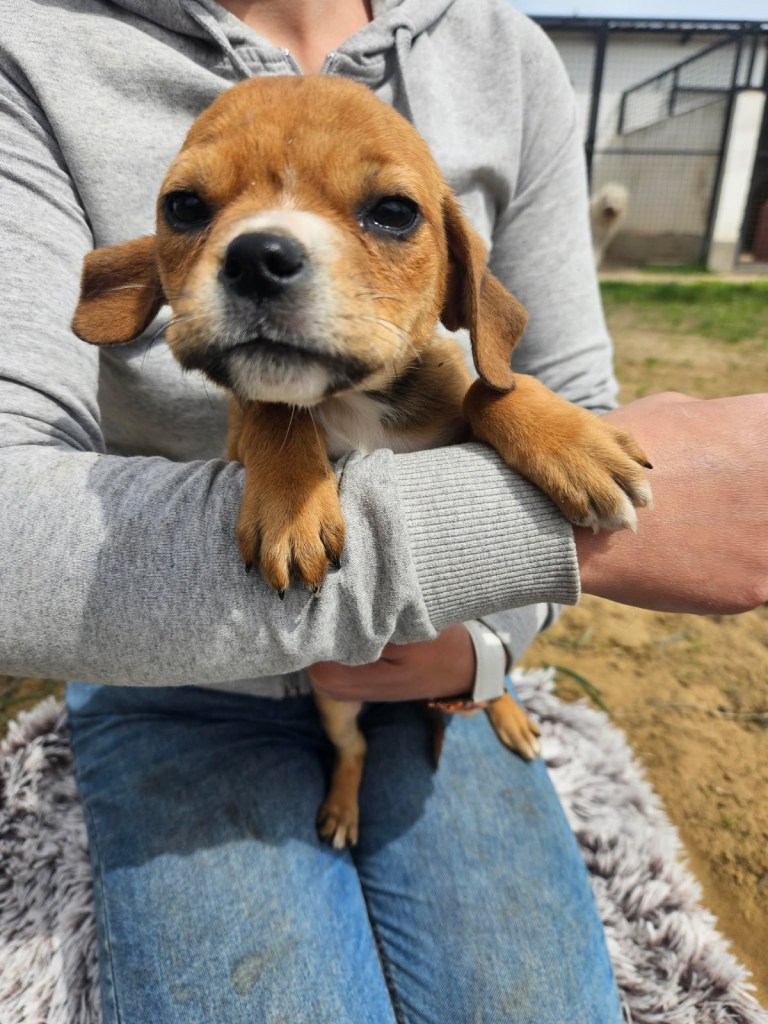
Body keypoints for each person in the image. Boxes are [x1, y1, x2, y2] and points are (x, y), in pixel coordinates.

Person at [1, 1, 766, 1021]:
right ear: (151, 263)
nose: (261, 252)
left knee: (525, 1002)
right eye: (192, 209)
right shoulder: (30, 45)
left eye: (390, 214)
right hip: (172, 675)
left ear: (457, 273)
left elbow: (549, 397)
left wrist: (490, 648)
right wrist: (286, 451)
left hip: (434, 672)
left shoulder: (503, 53)